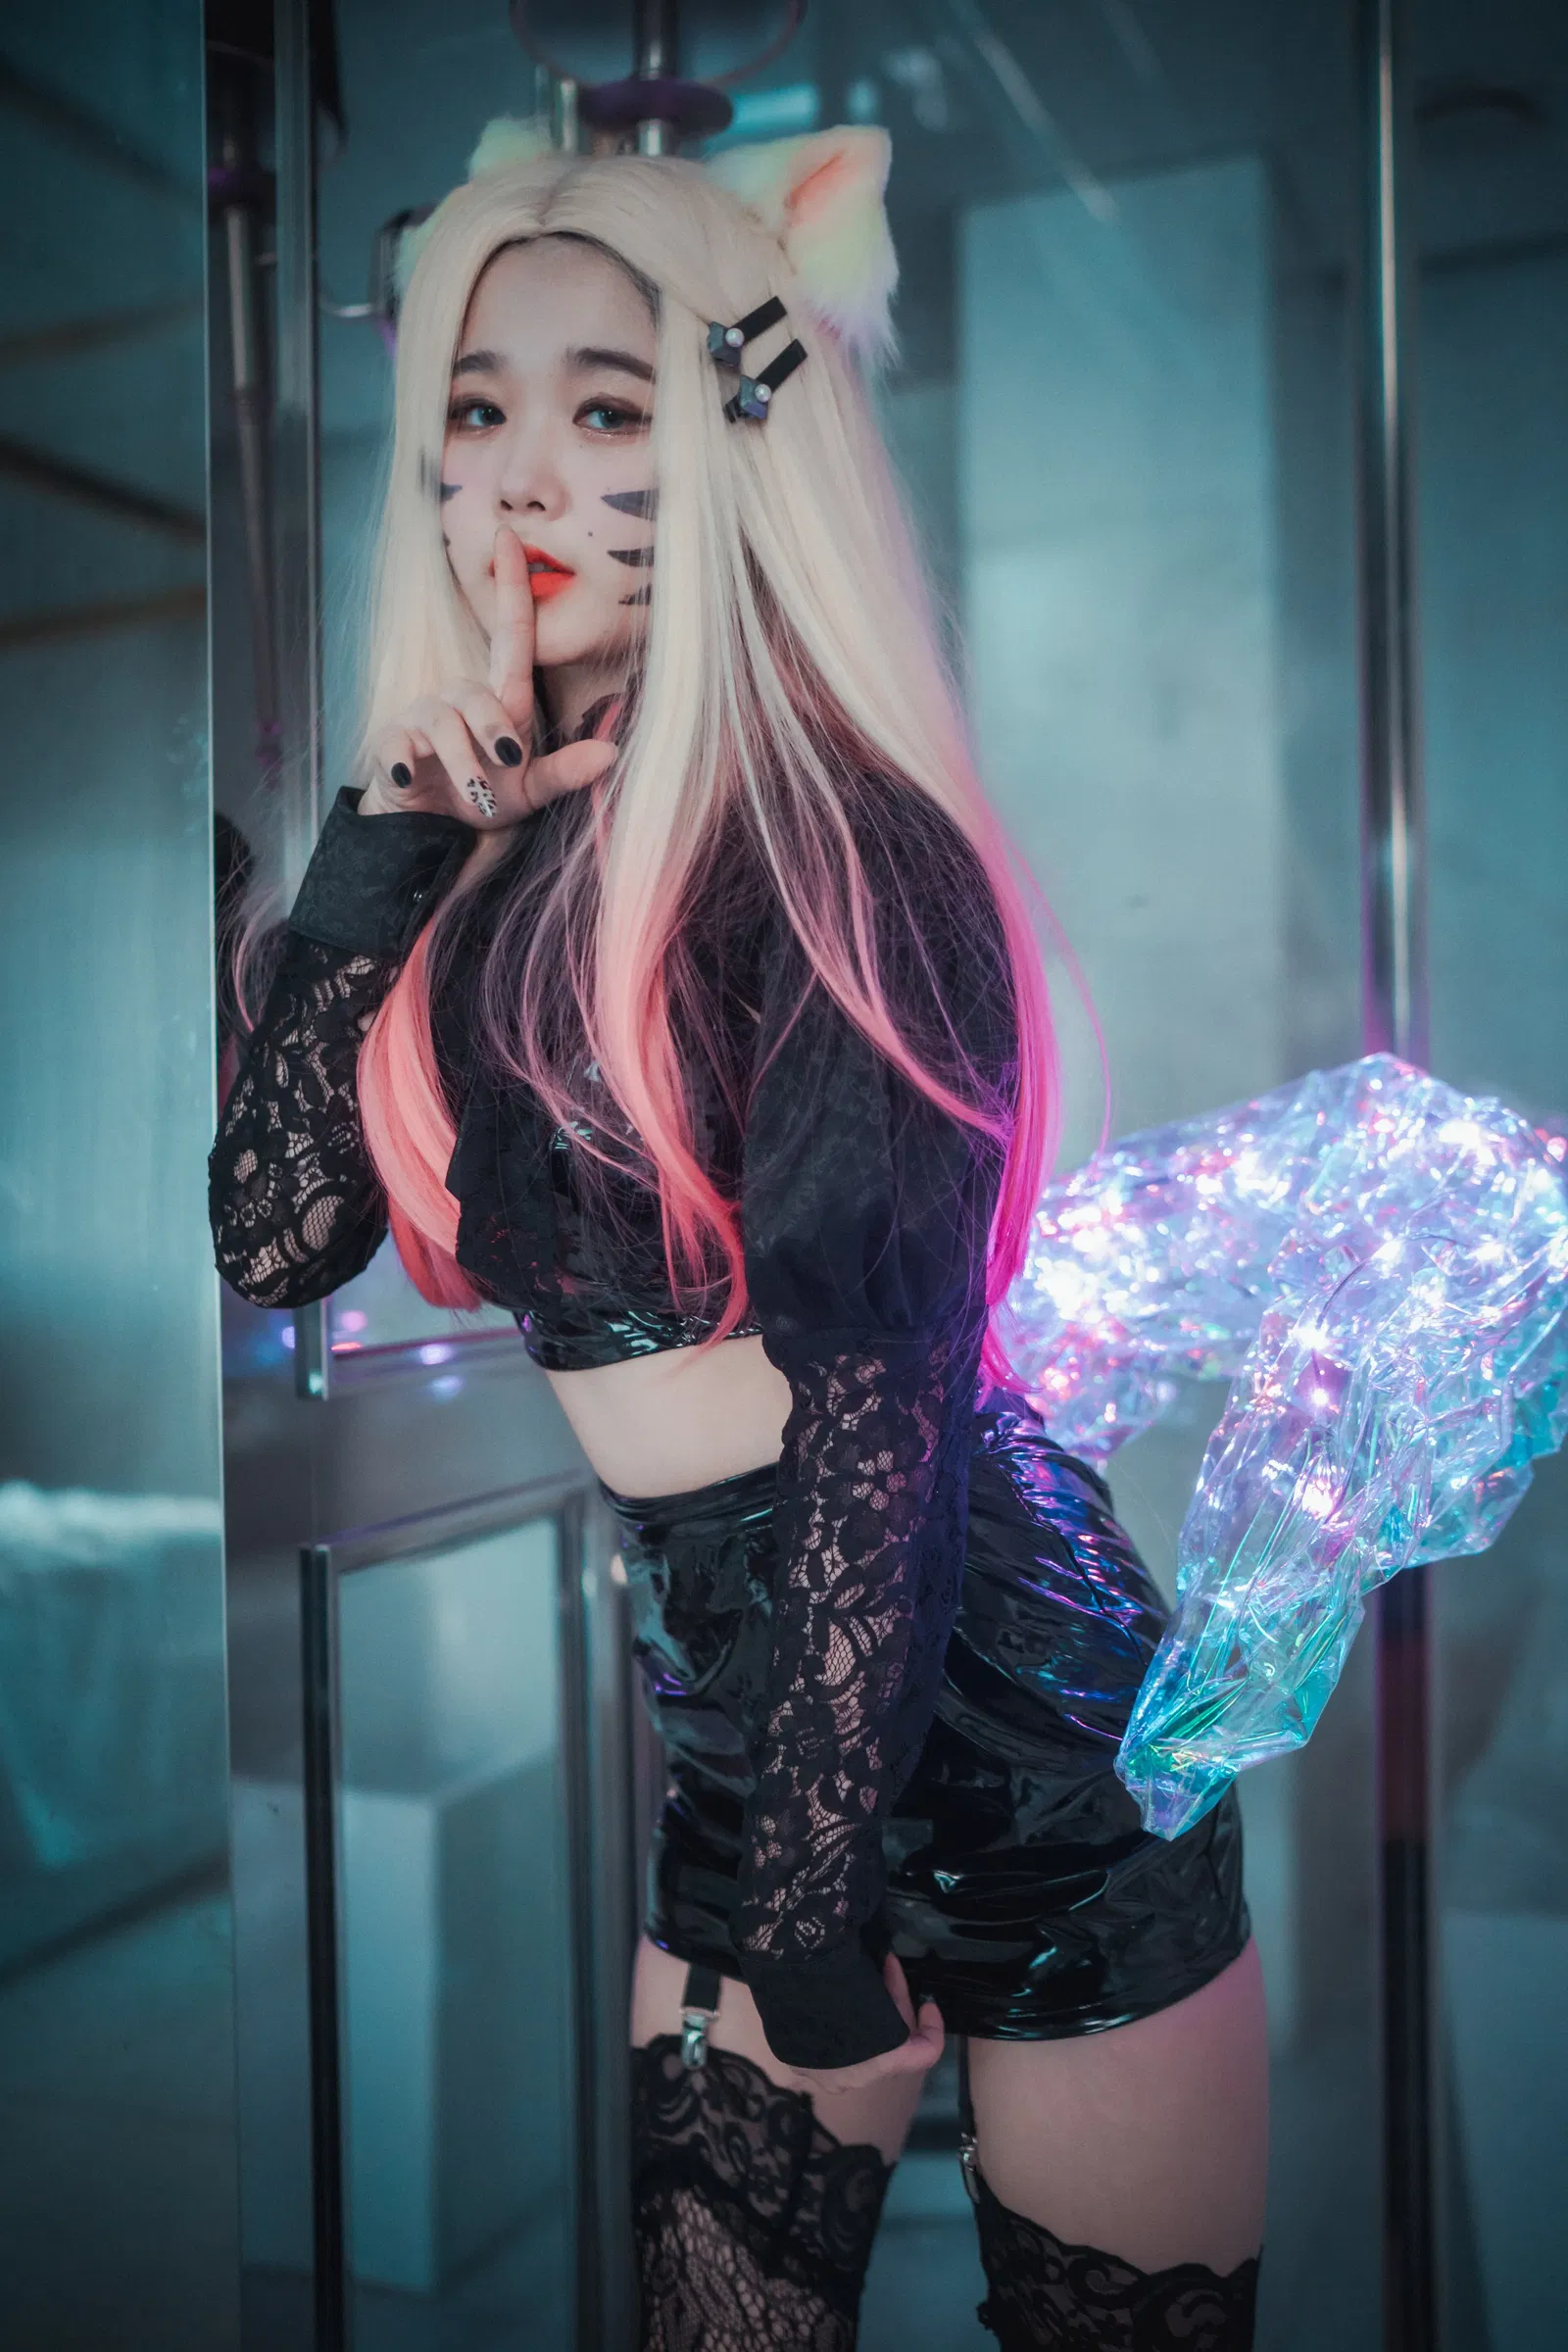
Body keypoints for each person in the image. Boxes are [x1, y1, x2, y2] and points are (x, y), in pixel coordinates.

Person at [209, 123, 1268, 2351]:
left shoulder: (842, 842)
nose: (518, 475)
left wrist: (805, 1909)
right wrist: (378, 852)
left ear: (727, 453)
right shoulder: (479, 856)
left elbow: (888, 1415)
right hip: (741, 1726)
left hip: (1007, 1725)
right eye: (476, 407)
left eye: (607, 412)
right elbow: (276, 1238)